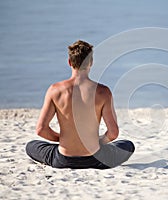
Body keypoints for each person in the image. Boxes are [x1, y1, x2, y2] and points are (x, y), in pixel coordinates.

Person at [26, 40, 135, 169]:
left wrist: (62, 139)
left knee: (31, 146)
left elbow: (41, 129)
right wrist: (96, 141)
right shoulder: (103, 92)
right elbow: (113, 133)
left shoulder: (55, 90)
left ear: (69, 62)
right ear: (91, 63)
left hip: (63, 159)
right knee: (127, 145)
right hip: (96, 159)